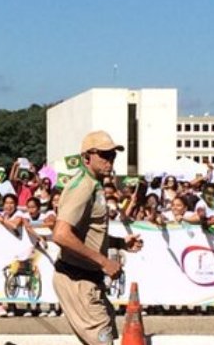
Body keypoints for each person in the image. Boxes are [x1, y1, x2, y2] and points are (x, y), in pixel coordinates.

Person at [52, 131, 143, 345]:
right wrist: (104, 261)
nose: (109, 160)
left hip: (87, 279)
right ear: (86, 158)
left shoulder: (94, 185)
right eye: (103, 155)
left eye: (112, 155)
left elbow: (84, 233)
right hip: (78, 279)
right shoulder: (83, 187)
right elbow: (61, 234)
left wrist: (119, 243)